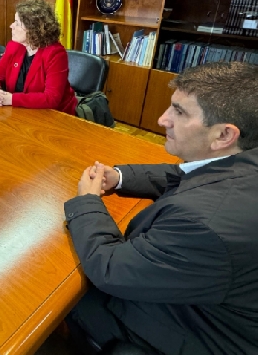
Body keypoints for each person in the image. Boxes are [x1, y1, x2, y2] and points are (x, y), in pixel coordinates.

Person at [64, 62, 258, 354]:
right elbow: (186, 174)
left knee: (67, 298)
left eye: (179, 112)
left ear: (223, 135)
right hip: (218, 297)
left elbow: (110, 267)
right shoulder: (242, 160)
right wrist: (119, 177)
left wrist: (87, 202)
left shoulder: (203, 224)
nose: (162, 119)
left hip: (203, 330)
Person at [0, 0, 77, 113]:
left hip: (54, 116)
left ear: (33, 29)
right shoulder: (14, 46)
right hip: (20, 112)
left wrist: (11, 99)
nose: (11, 26)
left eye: (17, 23)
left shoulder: (55, 54)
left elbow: (52, 98)